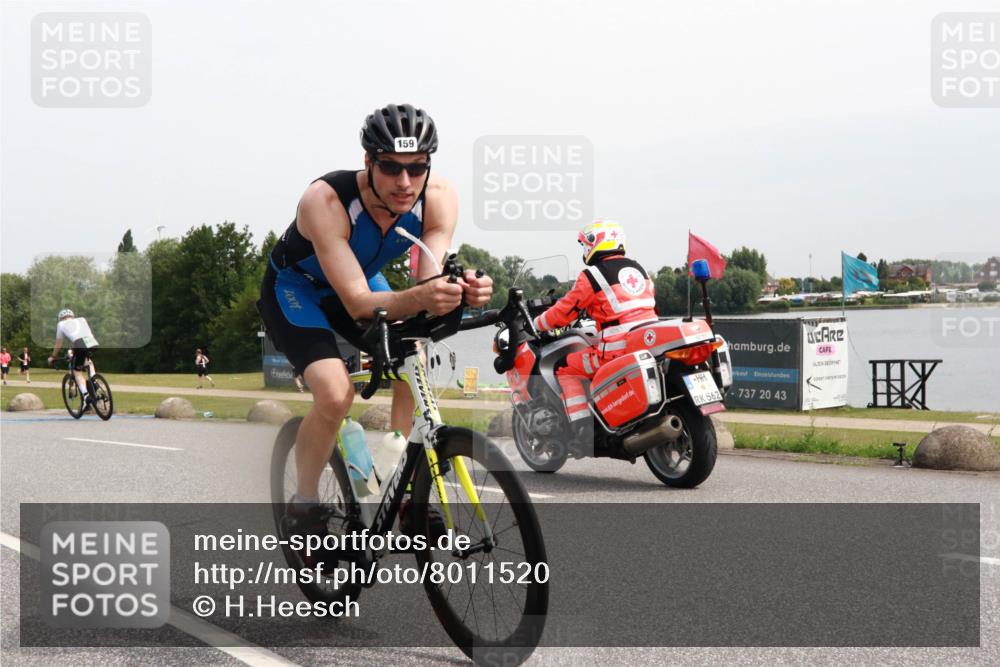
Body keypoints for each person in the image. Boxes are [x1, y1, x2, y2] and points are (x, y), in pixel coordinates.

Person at [258, 104, 492, 529]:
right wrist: (424, 294)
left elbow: (426, 282)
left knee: (412, 361)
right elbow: (357, 303)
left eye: (417, 168)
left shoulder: (438, 199)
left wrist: (462, 289)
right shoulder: (326, 200)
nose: (405, 183)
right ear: (368, 162)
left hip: (363, 281)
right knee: (334, 394)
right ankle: (304, 502)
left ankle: (395, 484)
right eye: (391, 167)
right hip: (297, 290)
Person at [531, 220, 657, 444]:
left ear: (595, 243)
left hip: (615, 352)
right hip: (646, 343)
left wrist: (537, 323)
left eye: (585, 245)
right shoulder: (639, 270)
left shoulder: (593, 276)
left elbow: (564, 311)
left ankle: (581, 428)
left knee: (565, 368)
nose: (584, 250)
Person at [47, 309, 100, 405]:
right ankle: (94, 380)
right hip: (93, 343)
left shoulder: (61, 324)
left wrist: (53, 356)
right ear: (73, 316)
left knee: (77, 371)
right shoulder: (82, 319)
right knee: (88, 361)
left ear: (60, 318)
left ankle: (86, 396)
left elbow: (59, 343)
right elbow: (83, 335)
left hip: (80, 344)